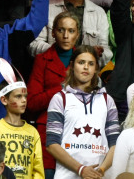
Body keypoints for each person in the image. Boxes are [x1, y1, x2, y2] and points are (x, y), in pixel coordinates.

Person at [46, 46, 118, 179]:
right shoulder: (60, 99)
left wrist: (101, 170)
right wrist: (80, 170)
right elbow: (51, 144)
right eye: (81, 63)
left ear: (96, 68)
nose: (86, 67)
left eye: (91, 64)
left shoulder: (107, 100)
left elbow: (115, 144)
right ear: (72, 66)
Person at [26, 11, 79, 177]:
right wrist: (60, 88)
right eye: (61, 30)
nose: (65, 35)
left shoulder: (84, 60)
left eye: (71, 31)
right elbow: (31, 103)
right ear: (53, 33)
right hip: (48, 133)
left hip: (78, 134)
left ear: (77, 34)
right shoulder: (42, 59)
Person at [0, 79, 43, 179]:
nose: (24, 100)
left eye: (25, 96)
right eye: (18, 96)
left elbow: (38, 167)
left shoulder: (32, 132)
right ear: (4, 100)